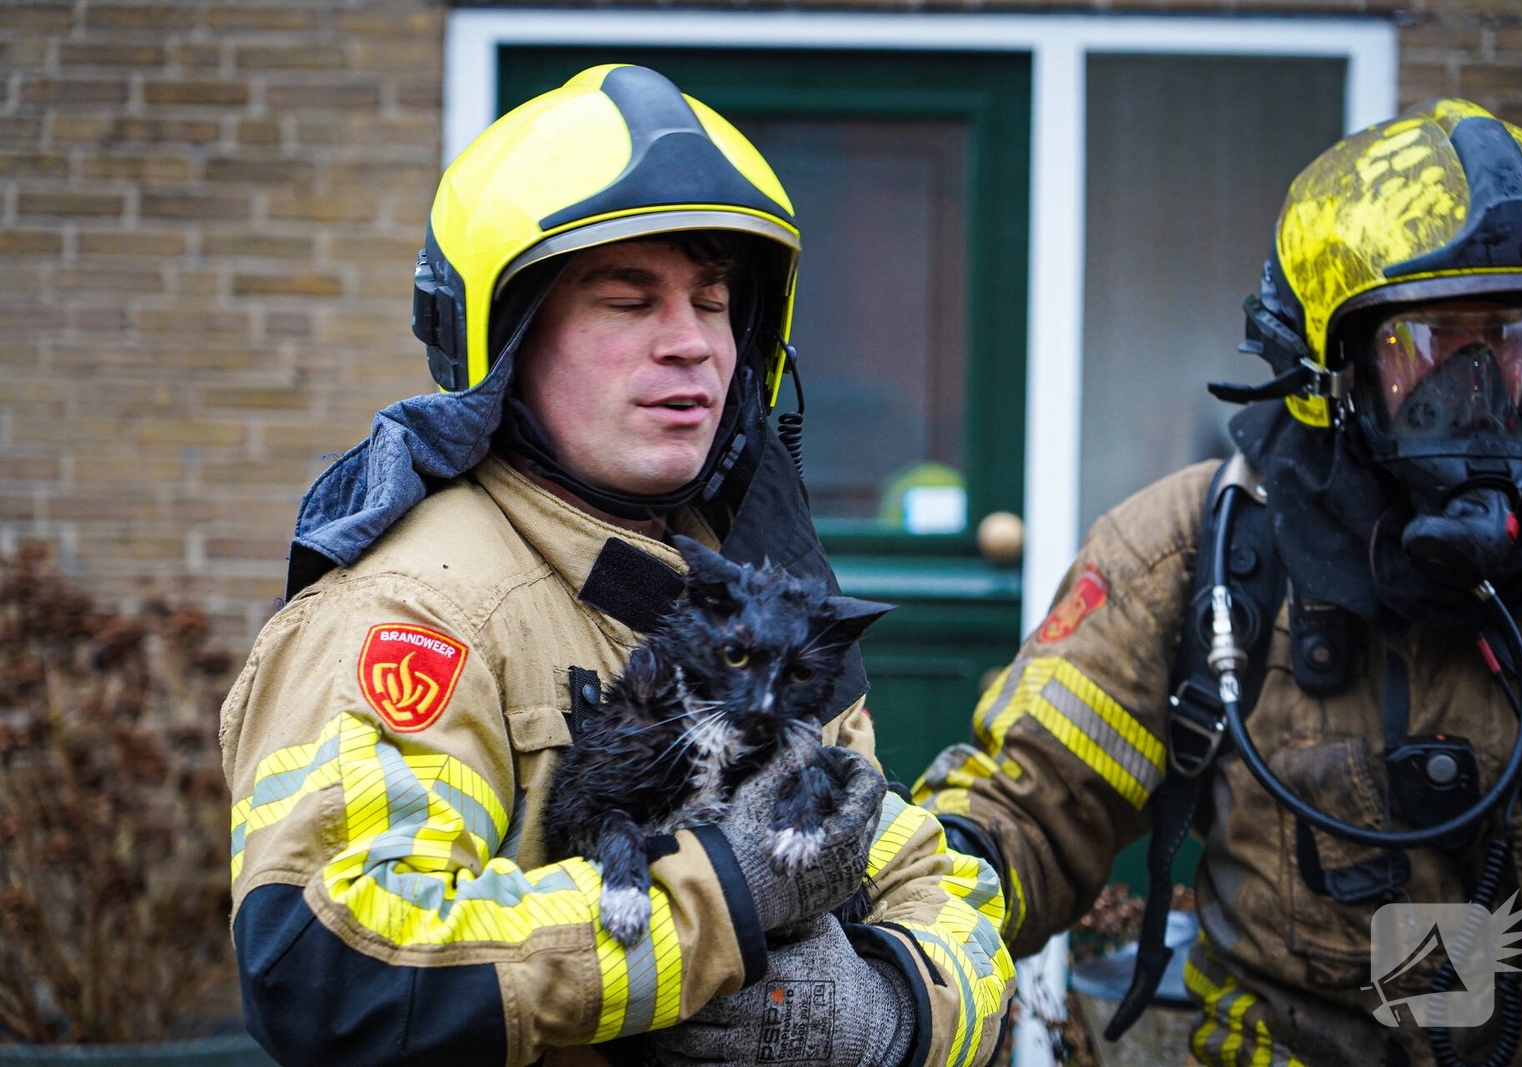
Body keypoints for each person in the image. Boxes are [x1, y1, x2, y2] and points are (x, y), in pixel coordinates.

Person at [220, 64, 1012, 1067]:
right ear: (504, 342)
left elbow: (934, 884)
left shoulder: (747, 593)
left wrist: (895, 1010)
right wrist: (717, 900)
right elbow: (335, 967)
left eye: (713, 300)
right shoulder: (418, 609)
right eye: (627, 300)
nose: (690, 346)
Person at [916, 98, 1522, 1067]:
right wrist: (903, 946)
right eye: (1434, 342)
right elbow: (1025, 811)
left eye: (1513, 342)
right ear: (1333, 368)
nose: (1479, 389)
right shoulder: (1192, 552)